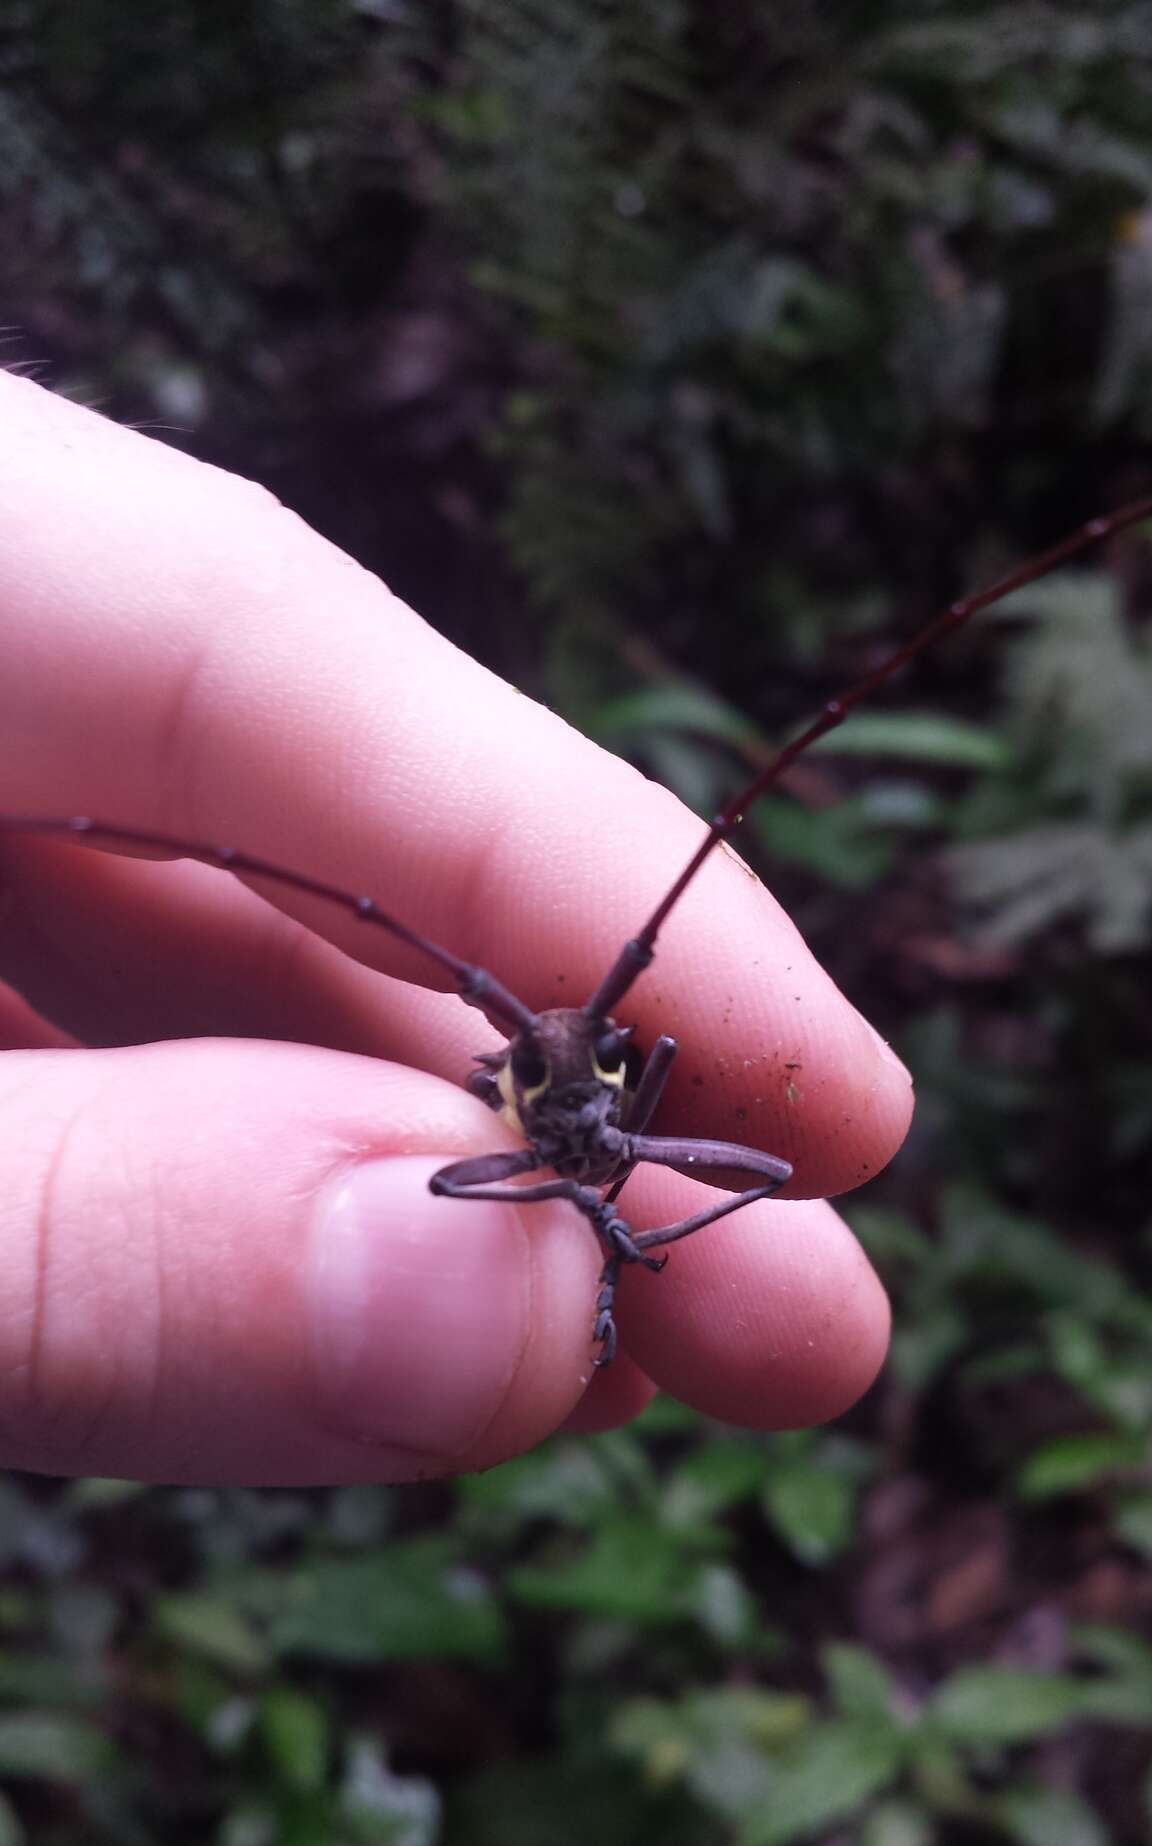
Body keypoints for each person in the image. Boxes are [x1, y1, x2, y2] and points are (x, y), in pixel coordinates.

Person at [0, 370, 908, 1485]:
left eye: (590, 1070)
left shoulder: (624, 1084)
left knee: (767, 1163)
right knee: (430, 1170)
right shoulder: (511, 1091)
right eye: (548, 1067)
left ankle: (617, 1254)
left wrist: (624, 1230)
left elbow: (748, 1163)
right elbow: (441, 1182)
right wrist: (576, 1194)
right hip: (508, 1170)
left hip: (612, 1214)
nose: (577, 1090)